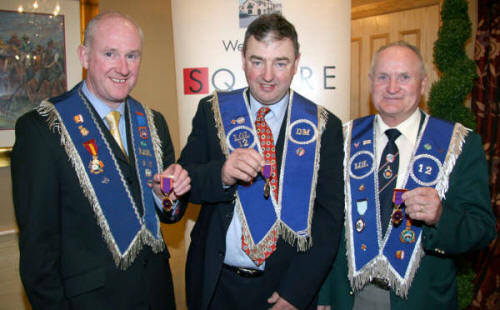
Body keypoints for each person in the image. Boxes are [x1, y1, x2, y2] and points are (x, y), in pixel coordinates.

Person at [11, 11, 190, 309]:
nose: (123, 68)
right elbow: (37, 253)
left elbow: (169, 214)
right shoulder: (42, 129)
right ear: (84, 56)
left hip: (156, 295)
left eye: (132, 56)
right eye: (110, 54)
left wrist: (166, 198)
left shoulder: (153, 123)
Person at [178, 13, 345, 310]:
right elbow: (185, 181)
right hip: (216, 284)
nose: (268, 76)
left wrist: (297, 292)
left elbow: (328, 220)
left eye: (280, 63)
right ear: (243, 60)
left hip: (282, 290)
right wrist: (222, 174)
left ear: (296, 63)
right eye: (257, 62)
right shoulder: (212, 111)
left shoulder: (323, 126)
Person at [318, 41, 496, 310]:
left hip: (422, 299)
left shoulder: (457, 144)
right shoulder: (343, 138)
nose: (392, 88)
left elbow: (482, 229)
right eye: (383, 77)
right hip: (350, 297)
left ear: (423, 84)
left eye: (404, 77)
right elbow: (325, 223)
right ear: (370, 82)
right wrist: (323, 295)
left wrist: (440, 217)